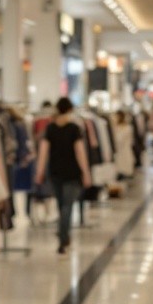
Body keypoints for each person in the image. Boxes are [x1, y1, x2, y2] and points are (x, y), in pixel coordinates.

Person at [35, 97, 93, 254]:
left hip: (55, 172)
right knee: (68, 205)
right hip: (72, 172)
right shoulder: (74, 128)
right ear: (69, 110)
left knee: (61, 205)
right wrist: (86, 173)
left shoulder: (50, 128)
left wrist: (39, 172)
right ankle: (63, 237)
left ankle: (63, 235)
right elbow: (80, 153)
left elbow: (43, 152)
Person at [112, 110, 136, 178]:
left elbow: (119, 139)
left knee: (125, 162)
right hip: (123, 149)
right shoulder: (126, 127)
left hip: (124, 149)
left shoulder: (126, 128)